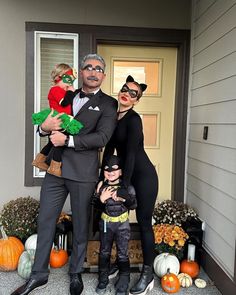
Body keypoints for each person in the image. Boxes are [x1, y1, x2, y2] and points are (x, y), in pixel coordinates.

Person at [11, 53, 118, 295]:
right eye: (88, 67)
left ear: (103, 75)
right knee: (46, 219)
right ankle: (38, 275)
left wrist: (68, 140)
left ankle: (75, 273)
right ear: (81, 72)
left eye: (98, 69)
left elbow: (101, 137)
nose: (93, 72)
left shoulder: (109, 104)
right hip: (55, 170)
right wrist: (43, 128)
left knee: (80, 225)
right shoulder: (66, 94)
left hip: (83, 173)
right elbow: (50, 118)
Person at [100, 75, 159, 295]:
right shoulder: (114, 117)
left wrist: (124, 186)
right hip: (127, 176)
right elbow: (109, 149)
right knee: (120, 219)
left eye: (133, 93)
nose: (127, 93)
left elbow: (132, 154)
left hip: (143, 177)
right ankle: (122, 263)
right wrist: (101, 177)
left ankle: (148, 273)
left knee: (144, 223)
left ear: (136, 100)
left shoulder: (134, 119)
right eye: (125, 89)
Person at [92, 155, 136, 295]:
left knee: (123, 253)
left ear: (121, 171)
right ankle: (103, 279)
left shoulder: (127, 186)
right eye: (107, 170)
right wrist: (101, 199)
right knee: (104, 251)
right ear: (103, 171)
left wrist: (124, 199)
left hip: (122, 225)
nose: (110, 172)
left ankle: (123, 282)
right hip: (106, 223)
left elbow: (134, 204)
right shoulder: (100, 186)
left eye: (115, 170)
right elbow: (93, 205)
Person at [32, 63, 79, 177]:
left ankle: (39, 160)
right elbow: (64, 102)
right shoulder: (55, 90)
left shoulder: (61, 90)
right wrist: (71, 92)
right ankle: (54, 167)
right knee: (60, 143)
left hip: (62, 117)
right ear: (59, 78)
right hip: (59, 118)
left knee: (51, 142)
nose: (69, 84)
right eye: (67, 80)